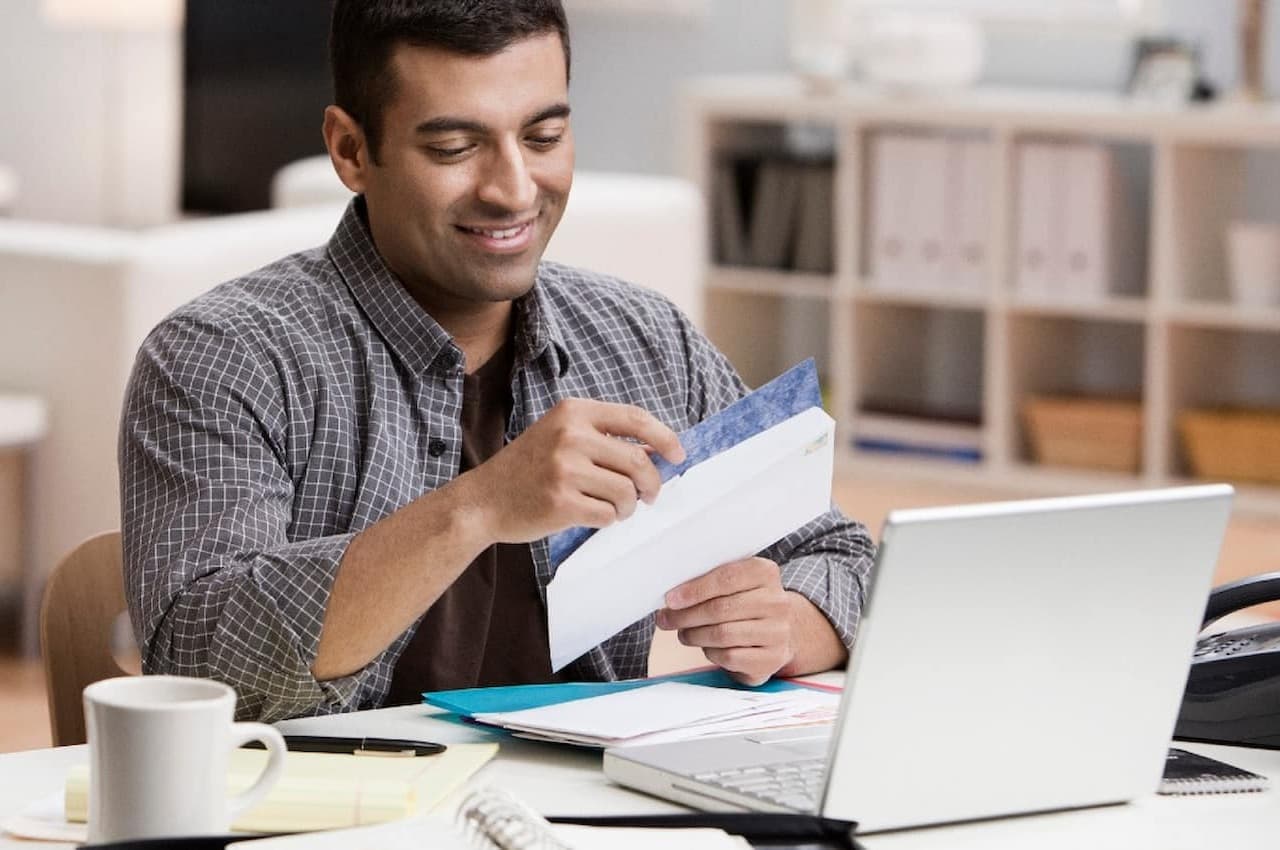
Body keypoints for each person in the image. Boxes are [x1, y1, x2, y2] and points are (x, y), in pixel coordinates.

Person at [119, 0, 875, 723]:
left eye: (543, 138)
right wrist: (479, 508)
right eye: (454, 148)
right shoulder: (223, 357)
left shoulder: (645, 339)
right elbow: (198, 659)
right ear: (351, 150)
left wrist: (790, 623)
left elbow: (843, 555)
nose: (514, 190)